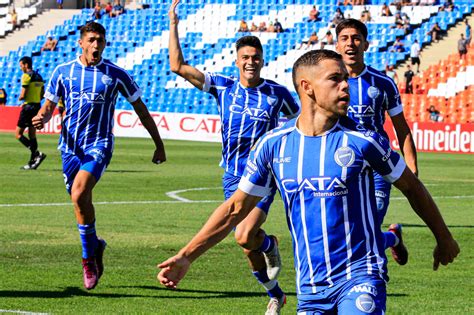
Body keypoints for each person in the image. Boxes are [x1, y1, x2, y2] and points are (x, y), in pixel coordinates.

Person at [157, 49, 460, 314]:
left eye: (346, 79)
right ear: (307, 87)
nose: (346, 86)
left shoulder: (363, 141)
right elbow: (235, 208)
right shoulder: (273, 145)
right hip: (311, 288)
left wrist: (443, 236)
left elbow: (411, 185)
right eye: (335, 79)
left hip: (361, 277)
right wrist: (187, 256)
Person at [167, 1, 300, 313]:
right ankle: (275, 293)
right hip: (232, 176)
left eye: (255, 57)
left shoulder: (277, 94)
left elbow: (299, 124)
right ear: (237, 61)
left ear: (263, 60)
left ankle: (267, 245)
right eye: (245, 58)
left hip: (264, 178)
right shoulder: (222, 87)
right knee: (247, 245)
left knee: (242, 233)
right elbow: (177, 66)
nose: (250, 62)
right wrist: (174, 23)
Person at [32, 22, 166, 290]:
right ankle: (95, 245)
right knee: (80, 203)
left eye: (100, 41)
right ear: (80, 42)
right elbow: (48, 107)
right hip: (69, 148)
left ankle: (87, 259)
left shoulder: (115, 74)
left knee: (80, 193)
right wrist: (41, 116)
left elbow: (140, 108)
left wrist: (158, 144)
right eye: (91, 40)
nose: (96, 45)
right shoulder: (63, 72)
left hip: (99, 145)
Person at [335, 19, 418, 265]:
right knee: (344, 231)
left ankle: (371, 278)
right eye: (345, 38)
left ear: (366, 44)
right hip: (341, 166)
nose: (351, 43)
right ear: (337, 45)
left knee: (370, 224)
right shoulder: (328, 82)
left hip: (378, 166)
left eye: (356, 38)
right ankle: (392, 237)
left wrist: (412, 172)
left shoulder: (383, 83)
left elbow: (401, 129)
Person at [16, 56, 46, 170]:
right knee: (32, 135)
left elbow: (22, 95)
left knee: (18, 134)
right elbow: (42, 94)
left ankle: (37, 153)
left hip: (28, 107)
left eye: (21, 66)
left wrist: (21, 99)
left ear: (26, 64)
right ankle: (33, 161)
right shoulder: (39, 76)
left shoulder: (26, 76)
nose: (20, 68)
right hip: (37, 106)